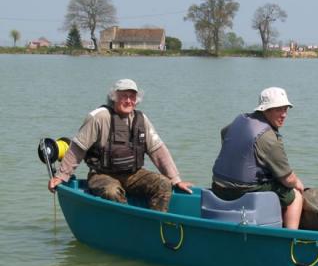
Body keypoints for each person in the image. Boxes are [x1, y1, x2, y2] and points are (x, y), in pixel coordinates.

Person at [48, 79, 193, 211]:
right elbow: (78, 148)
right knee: (112, 191)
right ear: (114, 97)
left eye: (132, 97)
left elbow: (158, 150)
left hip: (133, 174)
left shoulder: (141, 119)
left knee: (163, 184)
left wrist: (176, 179)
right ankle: (127, 225)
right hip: (102, 175)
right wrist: (61, 176)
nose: (129, 101)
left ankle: (155, 224)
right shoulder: (99, 117)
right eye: (124, 96)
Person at [211, 87, 304, 229]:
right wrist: (298, 183)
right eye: (278, 109)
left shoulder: (239, 120)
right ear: (265, 110)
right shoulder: (268, 138)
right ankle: (291, 238)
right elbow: (288, 179)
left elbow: (224, 132)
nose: (284, 114)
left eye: (286, 109)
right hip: (242, 192)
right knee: (295, 196)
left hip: (217, 186)